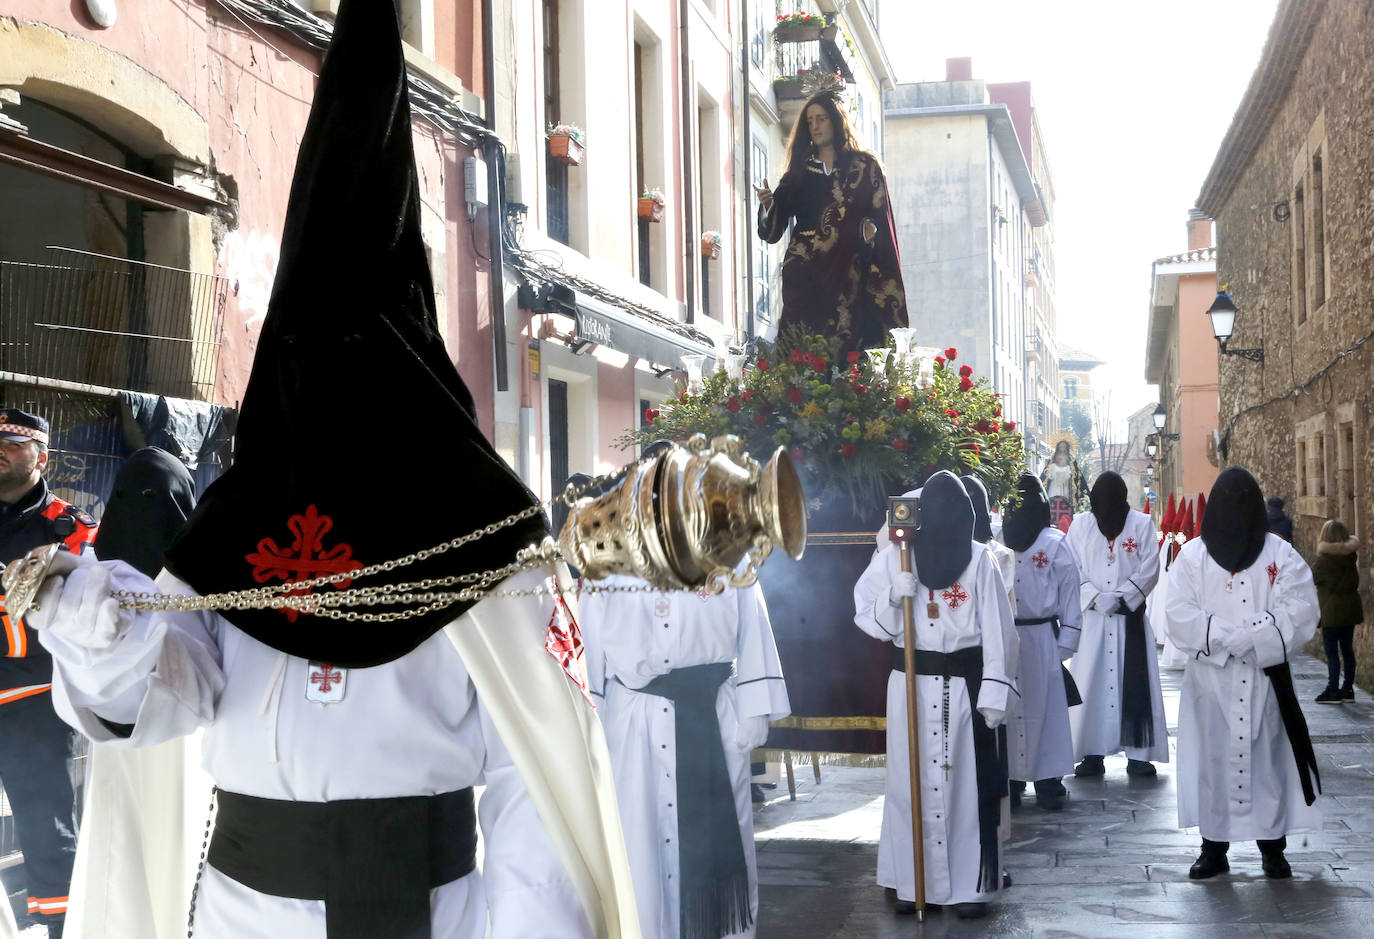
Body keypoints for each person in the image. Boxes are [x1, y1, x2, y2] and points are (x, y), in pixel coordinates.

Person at [25, 2, 636, 937]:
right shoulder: (238, 522)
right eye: (307, 360)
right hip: (241, 915)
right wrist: (102, 640)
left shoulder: (484, 534)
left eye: (358, 361)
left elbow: (533, 782)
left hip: (431, 913)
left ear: (409, 368)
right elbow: (165, 702)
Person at [579, 566, 790, 939]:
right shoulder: (608, 557)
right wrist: (589, 721)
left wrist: (755, 705)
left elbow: (753, 625)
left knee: (726, 838)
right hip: (633, 720)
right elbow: (589, 643)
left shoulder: (728, 549)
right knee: (638, 841)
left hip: (714, 713)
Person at [853, 472, 1016, 920]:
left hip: (965, 686)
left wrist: (996, 691)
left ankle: (969, 886)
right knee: (909, 784)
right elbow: (867, 617)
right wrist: (892, 595)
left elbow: (1000, 632)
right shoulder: (897, 556)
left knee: (965, 784)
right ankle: (911, 880)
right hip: (910, 683)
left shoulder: (980, 560)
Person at [1164, 467, 1321, 880]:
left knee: (1267, 758)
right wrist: (1221, 636)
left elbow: (1302, 607)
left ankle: (1273, 848)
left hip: (1265, 678)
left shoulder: (1280, 555)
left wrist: (1252, 636)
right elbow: (1178, 613)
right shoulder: (1193, 556)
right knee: (1213, 761)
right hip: (1210, 681)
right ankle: (1213, 848)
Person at [0, 406, 98, 939]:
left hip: (33, 702)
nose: (1, 449)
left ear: (42, 457)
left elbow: (92, 616)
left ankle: (55, 928)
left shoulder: (75, 531)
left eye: (13, 442)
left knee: (47, 832)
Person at [754, 87, 907, 350]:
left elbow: (881, 219)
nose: (815, 126)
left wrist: (869, 236)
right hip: (806, 275)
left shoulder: (864, 167)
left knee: (849, 342)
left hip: (849, 272)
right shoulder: (799, 173)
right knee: (803, 350)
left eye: (821, 118)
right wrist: (768, 206)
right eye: (810, 121)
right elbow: (773, 232)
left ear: (836, 121)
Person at [1065, 472, 1169, 777]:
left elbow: (1151, 566)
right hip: (1093, 621)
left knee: (1134, 684)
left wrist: (1123, 597)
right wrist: (1095, 596)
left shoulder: (1140, 523)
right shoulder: (1081, 525)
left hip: (1130, 621)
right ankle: (1091, 753)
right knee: (1090, 685)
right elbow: (1072, 566)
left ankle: (1139, 753)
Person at [999, 474, 1082, 812]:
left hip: (1042, 637)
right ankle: (1012, 779)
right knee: (1008, 709)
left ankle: (1048, 780)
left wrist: (1064, 645)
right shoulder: (997, 539)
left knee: (1046, 711)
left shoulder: (1054, 543)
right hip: (1006, 635)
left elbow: (1069, 594)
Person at [1313, 519, 1363, 704]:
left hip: (1331, 612)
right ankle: (1348, 689)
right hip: (1349, 611)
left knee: (1332, 653)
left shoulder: (1323, 561)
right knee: (1348, 650)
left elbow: (1311, 579)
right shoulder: (1351, 558)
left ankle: (1332, 690)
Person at [1040, 439, 1088, 533]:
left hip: (1066, 489)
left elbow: (1078, 478)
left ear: (1067, 448)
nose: (1062, 449)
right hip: (1054, 489)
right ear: (1057, 448)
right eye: (1060, 447)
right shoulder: (1052, 460)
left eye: (1064, 447)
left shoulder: (1071, 461)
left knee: (1065, 506)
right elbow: (1045, 476)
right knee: (1052, 506)